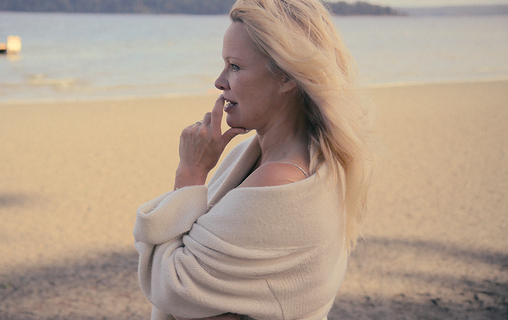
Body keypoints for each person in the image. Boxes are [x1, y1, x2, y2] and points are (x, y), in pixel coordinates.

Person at [133, 0, 373, 319]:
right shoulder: (300, 157)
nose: (220, 82)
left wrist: (190, 173)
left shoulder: (277, 183)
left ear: (286, 77)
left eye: (235, 66)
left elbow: (171, 287)